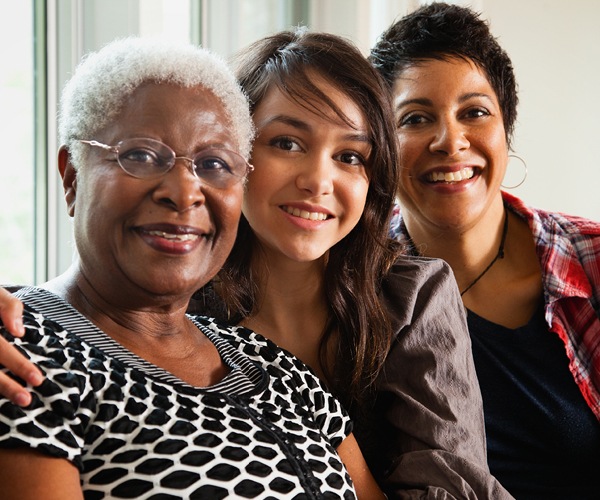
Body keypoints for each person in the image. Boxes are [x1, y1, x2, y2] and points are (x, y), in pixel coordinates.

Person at [0, 29, 513, 499]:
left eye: (351, 156)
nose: (318, 180)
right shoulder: (96, 322)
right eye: (287, 143)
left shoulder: (287, 365)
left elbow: (452, 481)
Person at [369, 3, 600, 499]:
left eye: (474, 112)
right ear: (380, 146)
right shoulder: (351, 286)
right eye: (415, 118)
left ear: (506, 128)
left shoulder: (592, 262)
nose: (450, 141)